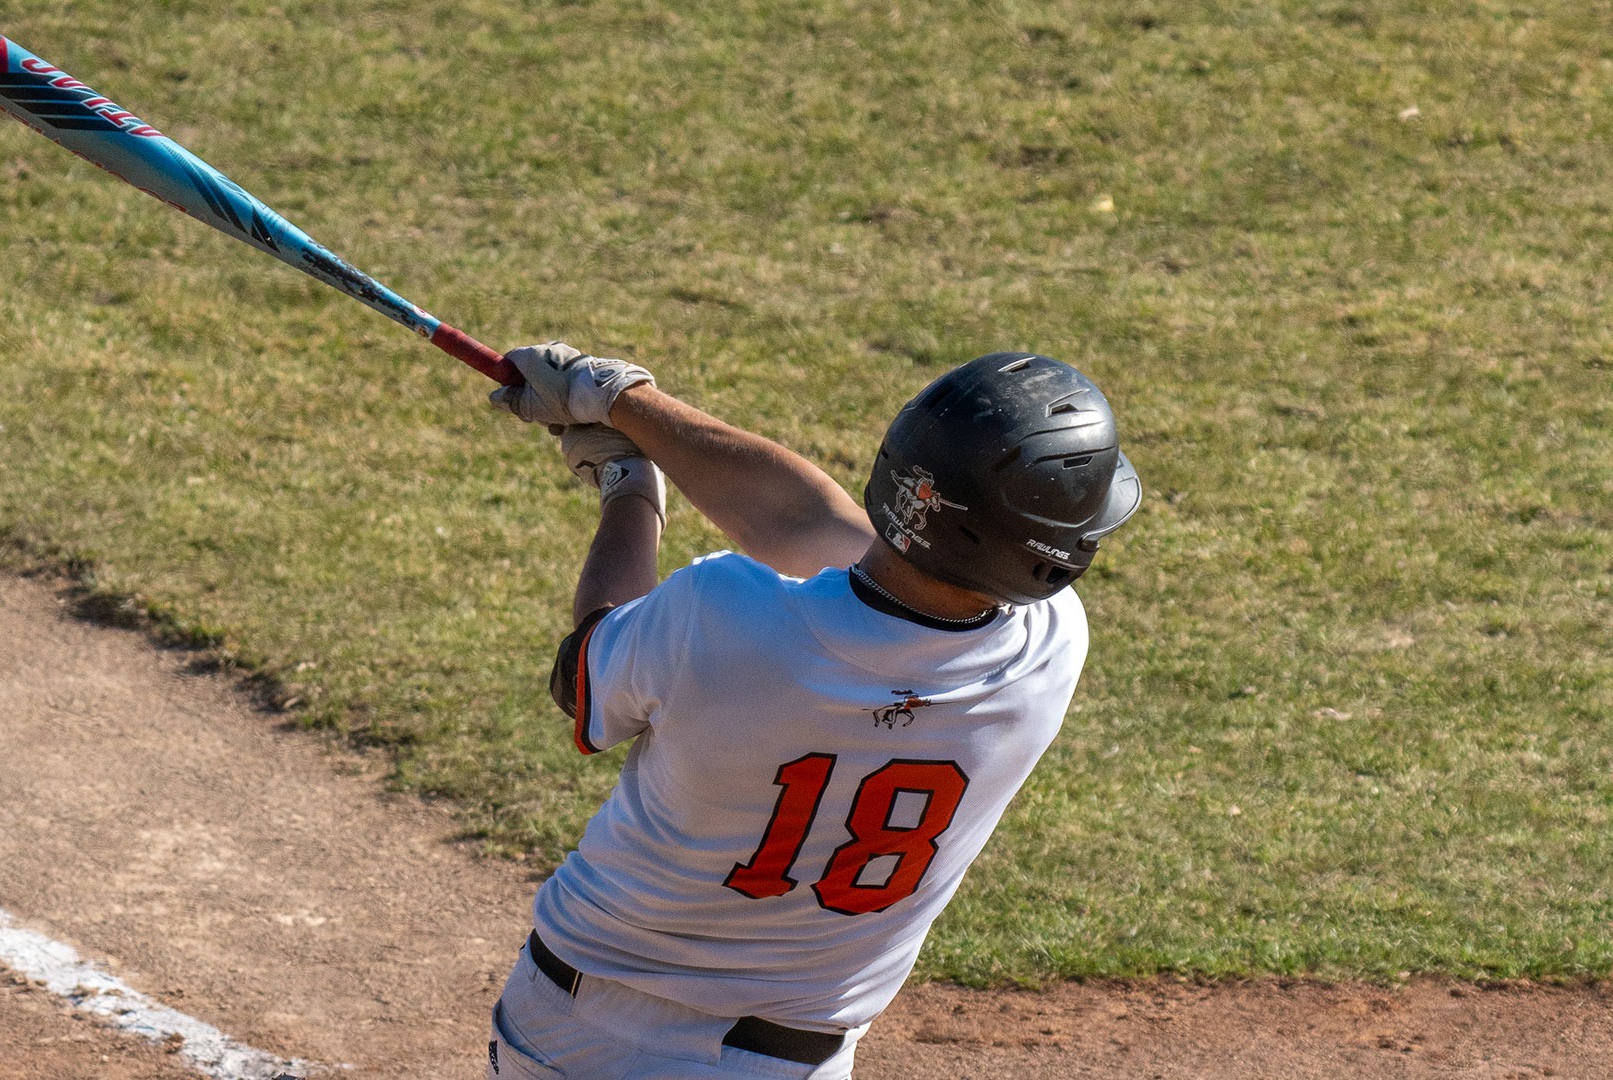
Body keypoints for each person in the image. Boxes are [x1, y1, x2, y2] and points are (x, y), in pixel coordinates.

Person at [482, 344, 1141, 1079]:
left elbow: (585, 673)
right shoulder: (1049, 652)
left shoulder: (719, 610)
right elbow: (810, 522)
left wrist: (628, 481)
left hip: (570, 1031)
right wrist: (620, 401)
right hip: (782, 1065)